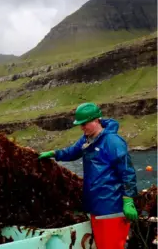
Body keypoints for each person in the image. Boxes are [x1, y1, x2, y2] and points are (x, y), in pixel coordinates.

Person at [38, 102, 138, 249]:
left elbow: (127, 172)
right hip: (95, 207)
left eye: (85, 123)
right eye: (80, 124)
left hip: (111, 208)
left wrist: (128, 200)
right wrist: (54, 154)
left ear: (96, 120)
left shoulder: (112, 141)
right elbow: (73, 151)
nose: (82, 127)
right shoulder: (87, 139)